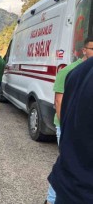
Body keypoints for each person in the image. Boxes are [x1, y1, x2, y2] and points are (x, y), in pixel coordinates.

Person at [45, 37, 93, 204]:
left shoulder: (82, 70)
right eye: (92, 48)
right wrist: (64, 127)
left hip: (74, 189)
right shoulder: (70, 71)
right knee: (67, 158)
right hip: (66, 127)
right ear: (84, 50)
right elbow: (59, 101)